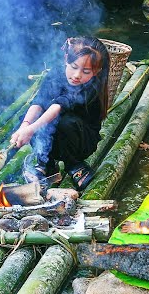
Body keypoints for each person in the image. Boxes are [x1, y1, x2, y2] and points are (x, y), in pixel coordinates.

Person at [9, 36, 110, 191]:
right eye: (74, 67)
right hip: (54, 138)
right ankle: (46, 163)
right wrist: (25, 126)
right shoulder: (56, 74)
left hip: (81, 140)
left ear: (96, 71)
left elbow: (59, 106)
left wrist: (31, 129)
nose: (77, 75)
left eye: (86, 71)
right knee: (28, 118)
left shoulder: (92, 86)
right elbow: (38, 102)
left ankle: (74, 164)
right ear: (66, 60)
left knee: (64, 122)